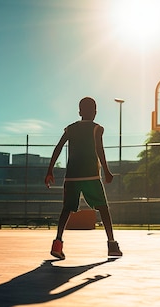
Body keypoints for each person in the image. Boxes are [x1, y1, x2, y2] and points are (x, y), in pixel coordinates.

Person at [44, 97, 122, 260]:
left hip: (71, 176)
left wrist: (50, 170)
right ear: (95, 112)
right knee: (103, 208)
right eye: (94, 109)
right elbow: (99, 149)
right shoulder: (97, 129)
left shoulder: (70, 129)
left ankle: (57, 243)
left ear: (80, 112)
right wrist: (106, 171)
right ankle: (112, 244)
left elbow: (58, 147)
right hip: (91, 176)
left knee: (66, 209)